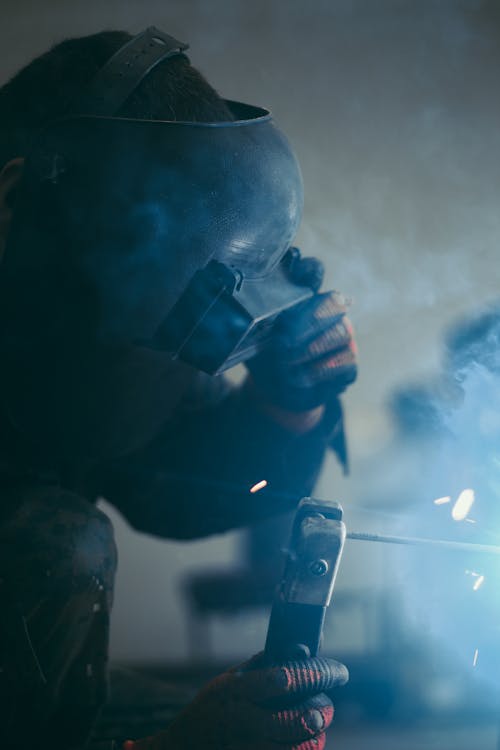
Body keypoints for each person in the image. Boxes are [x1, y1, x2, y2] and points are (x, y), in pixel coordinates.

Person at [0, 28, 357, 750]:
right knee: (58, 544)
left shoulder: (72, 312)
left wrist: (287, 400)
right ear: (17, 193)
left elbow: (175, 488)